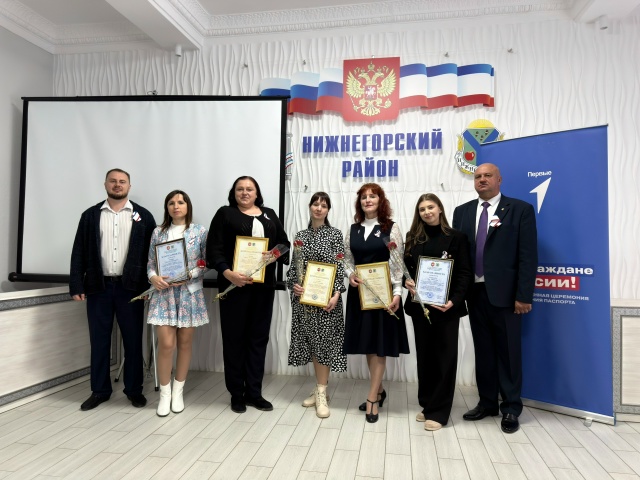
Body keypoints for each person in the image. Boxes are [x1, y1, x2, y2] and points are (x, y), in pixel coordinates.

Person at [452, 163, 538, 434]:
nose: (482, 180)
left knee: (509, 353)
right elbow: (457, 255)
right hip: (474, 294)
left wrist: (523, 295)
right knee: (484, 352)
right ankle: (487, 403)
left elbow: (528, 256)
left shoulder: (520, 210)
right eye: (477, 176)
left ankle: (511, 407)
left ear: (499, 179)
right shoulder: (462, 212)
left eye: (488, 176)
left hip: (507, 296)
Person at [70, 168, 156, 411]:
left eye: (122, 181)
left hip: (132, 289)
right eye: (113, 181)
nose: (118, 185)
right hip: (98, 287)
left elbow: (152, 255)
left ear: (129, 186)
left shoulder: (143, 216)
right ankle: (99, 391)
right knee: (99, 341)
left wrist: (150, 286)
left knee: (133, 341)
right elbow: (78, 251)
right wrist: (76, 284)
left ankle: (134, 390)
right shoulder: (90, 215)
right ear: (105, 184)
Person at [206, 176, 289, 414]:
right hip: (234, 287)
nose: (244, 192)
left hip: (263, 288)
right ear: (234, 193)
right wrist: (228, 273)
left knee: (258, 339)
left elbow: (284, 244)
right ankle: (237, 394)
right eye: (240, 189)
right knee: (234, 340)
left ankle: (254, 393)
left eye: (249, 189)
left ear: (257, 193)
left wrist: (274, 254)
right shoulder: (225, 214)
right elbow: (214, 249)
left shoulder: (269, 214)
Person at [403, 194, 473, 431]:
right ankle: (427, 405)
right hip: (420, 307)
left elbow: (464, 273)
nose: (427, 212)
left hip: (446, 308)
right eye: (422, 209)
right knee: (425, 359)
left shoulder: (457, 237)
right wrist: (407, 282)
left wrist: (454, 301)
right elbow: (406, 271)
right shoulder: (412, 238)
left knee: (444, 358)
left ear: (440, 209)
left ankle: (440, 412)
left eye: (430, 207)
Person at [343, 183, 409, 423]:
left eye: (372, 196)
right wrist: (350, 275)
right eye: (363, 197)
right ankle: (379, 390)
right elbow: (347, 260)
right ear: (359, 203)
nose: (367, 200)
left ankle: (372, 398)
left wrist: (397, 293)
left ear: (381, 201)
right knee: (369, 343)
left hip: (383, 295)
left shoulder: (391, 228)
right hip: (360, 295)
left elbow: (397, 264)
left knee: (379, 344)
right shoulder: (353, 229)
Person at [146, 190, 209, 417]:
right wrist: (153, 277)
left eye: (181, 202)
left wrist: (190, 274)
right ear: (167, 208)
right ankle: (164, 394)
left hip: (189, 294)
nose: (176, 206)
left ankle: (177, 392)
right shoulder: (158, 232)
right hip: (164, 295)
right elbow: (150, 263)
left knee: (184, 343)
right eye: (171, 203)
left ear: (187, 206)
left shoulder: (199, 231)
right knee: (166, 345)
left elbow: (205, 262)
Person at [287, 192, 346, 418]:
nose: (319, 208)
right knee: (313, 343)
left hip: (327, 301)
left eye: (323, 205)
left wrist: (337, 293)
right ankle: (320, 388)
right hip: (305, 302)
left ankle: (321, 393)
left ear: (328, 210)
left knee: (324, 344)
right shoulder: (300, 236)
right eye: (315, 204)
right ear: (310, 207)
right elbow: (294, 268)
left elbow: (340, 267)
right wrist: (294, 285)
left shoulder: (335, 234)